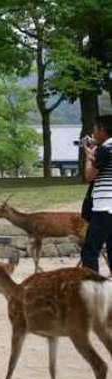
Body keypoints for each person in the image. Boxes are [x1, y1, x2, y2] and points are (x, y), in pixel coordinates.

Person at [80, 115, 112, 273]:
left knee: (90, 251)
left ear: (103, 130)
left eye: (95, 129)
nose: (93, 134)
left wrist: (88, 156)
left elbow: (89, 176)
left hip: (104, 207)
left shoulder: (105, 149)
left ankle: (93, 289)